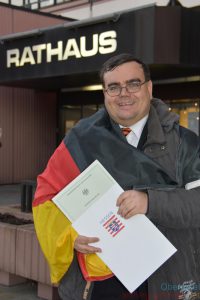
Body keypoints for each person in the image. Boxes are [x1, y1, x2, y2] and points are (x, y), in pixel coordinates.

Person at [33, 53, 200, 300]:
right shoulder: (81, 139)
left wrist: (151, 202)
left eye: (133, 83)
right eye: (114, 87)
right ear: (104, 94)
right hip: (98, 285)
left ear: (149, 88)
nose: (124, 93)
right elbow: (45, 198)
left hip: (166, 280)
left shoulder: (185, 143)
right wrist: (69, 236)